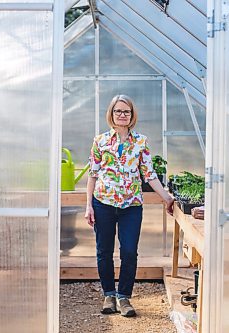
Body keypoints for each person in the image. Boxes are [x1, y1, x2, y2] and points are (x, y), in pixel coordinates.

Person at [85, 94, 174, 317]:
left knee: (129, 251)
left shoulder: (141, 142)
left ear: (132, 115)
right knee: (103, 251)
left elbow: (149, 174)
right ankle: (109, 295)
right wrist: (89, 206)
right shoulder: (100, 141)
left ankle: (124, 297)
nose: (122, 115)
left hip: (131, 206)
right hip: (103, 203)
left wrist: (167, 197)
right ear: (111, 114)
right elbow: (93, 175)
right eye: (118, 111)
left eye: (126, 111)